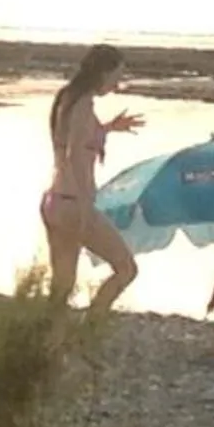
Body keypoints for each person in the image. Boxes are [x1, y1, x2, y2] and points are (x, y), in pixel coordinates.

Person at [41, 45, 143, 311]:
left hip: (55, 201)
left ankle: (44, 341)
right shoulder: (84, 104)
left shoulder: (67, 99)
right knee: (126, 268)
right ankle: (90, 328)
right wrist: (86, 205)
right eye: (116, 76)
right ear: (102, 73)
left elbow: (72, 140)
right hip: (74, 203)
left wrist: (108, 128)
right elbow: (75, 154)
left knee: (62, 285)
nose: (117, 84)